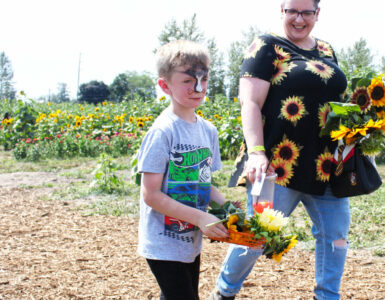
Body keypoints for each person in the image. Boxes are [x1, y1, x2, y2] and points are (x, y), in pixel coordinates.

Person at [211, 1, 350, 299]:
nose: (299, 19)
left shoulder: (326, 50)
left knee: (335, 238)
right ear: (282, 11)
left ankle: (326, 296)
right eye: (292, 11)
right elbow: (250, 103)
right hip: (277, 167)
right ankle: (224, 292)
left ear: (317, 14)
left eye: (306, 12)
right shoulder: (266, 47)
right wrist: (257, 152)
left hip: (326, 165)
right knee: (257, 239)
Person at [137, 40, 230, 300]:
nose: (198, 87)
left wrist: (228, 207)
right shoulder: (162, 132)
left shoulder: (208, 131)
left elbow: (203, 183)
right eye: (188, 80)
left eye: (204, 79)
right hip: (163, 241)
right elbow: (151, 194)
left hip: (189, 239)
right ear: (165, 85)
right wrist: (200, 218)